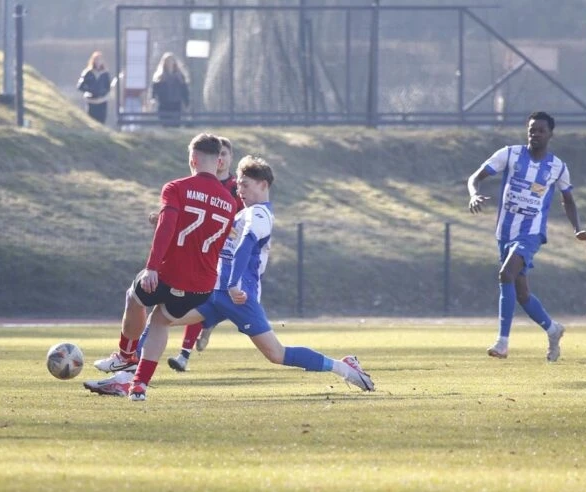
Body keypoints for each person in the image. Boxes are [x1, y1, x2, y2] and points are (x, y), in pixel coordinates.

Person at [84, 156, 375, 399]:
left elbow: (246, 246)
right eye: (238, 186)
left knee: (276, 354)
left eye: (245, 185)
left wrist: (234, 283)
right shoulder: (241, 214)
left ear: (263, 184)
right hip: (214, 292)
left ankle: (344, 367)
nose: (240, 190)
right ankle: (129, 379)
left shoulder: (260, 215)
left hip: (238, 296)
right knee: (160, 318)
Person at [85, 133, 236, 400]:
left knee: (134, 298)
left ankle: (125, 357)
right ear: (219, 162)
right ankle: (138, 386)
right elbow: (213, 240)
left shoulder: (176, 187)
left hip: (169, 273)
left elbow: (167, 228)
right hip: (201, 285)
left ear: (193, 159)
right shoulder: (230, 202)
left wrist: (152, 267)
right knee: (160, 321)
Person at [467, 111, 586, 362]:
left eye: (540, 130)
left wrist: (577, 229)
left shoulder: (557, 167)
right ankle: (553, 329)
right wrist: (473, 194)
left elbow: (568, 200)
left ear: (550, 134)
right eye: (531, 130)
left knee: (506, 274)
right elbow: (475, 177)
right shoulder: (510, 154)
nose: (535, 134)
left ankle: (502, 343)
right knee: (522, 294)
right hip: (505, 232)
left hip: (532, 233)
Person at [167, 136, 245, 372]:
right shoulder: (195, 184)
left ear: (230, 158)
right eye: (218, 154)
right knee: (198, 298)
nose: (220, 158)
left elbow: (245, 220)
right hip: (200, 251)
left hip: (227, 254)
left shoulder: (237, 189)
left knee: (220, 300)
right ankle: (184, 354)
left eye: (224, 154)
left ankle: (209, 321)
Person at [150, 52, 189, 127]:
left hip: (176, 104)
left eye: (171, 61)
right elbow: (154, 89)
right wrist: (153, 99)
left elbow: (184, 90)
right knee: (165, 124)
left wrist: (186, 102)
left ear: (174, 62)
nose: (169, 63)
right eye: (167, 61)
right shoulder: (160, 76)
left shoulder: (180, 76)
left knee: (175, 124)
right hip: (164, 104)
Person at [76, 51, 112, 124]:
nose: (98, 61)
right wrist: (90, 90)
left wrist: (103, 94)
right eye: (96, 59)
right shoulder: (88, 73)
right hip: (91, 101)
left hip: (102, 101)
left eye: (99, 59)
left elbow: (108, 87)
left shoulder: (105, 73)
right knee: (92, 121)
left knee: (101, 121)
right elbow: (80, 86)